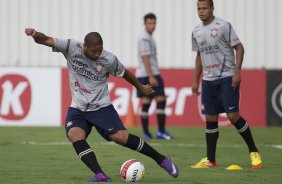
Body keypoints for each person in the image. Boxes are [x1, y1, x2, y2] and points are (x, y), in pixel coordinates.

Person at [25, 28, 179, 182]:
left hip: (101, 107)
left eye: (100, 50)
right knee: (74, 134)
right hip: (78, 107)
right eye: (94, 51)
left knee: (120, 137)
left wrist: (140, 86)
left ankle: (162, 160)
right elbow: (46, 40)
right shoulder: (71, 47)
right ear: (85, 47)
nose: (97, 54)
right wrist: (35, 34)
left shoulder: (109, 59)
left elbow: (125, 73)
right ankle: (100, 174)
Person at [191, 0, 262, 168]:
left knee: (233, 117)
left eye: (204, 8)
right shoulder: (196, 31)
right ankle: (210, 160)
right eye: (198, 8)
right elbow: (199, 56)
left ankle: (254, 151)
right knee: (210, 118)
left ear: (212, 8)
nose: (201, 11)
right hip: (208, 81)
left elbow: (239, 48)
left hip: (227, 77)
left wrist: (237, 71)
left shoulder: (223, 26)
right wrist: (195, 80)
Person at [136, 13, 172, 140]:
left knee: (146, 102)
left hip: (141, 74)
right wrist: (151, 76)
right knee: (161, 100)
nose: (152, 25)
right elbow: (145, 57)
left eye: (153, 23)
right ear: (145, 24)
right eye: (149, 23)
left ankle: (146, 133)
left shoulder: (147, 37)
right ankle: (161, 131)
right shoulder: (145, 38)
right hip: (149, 74)